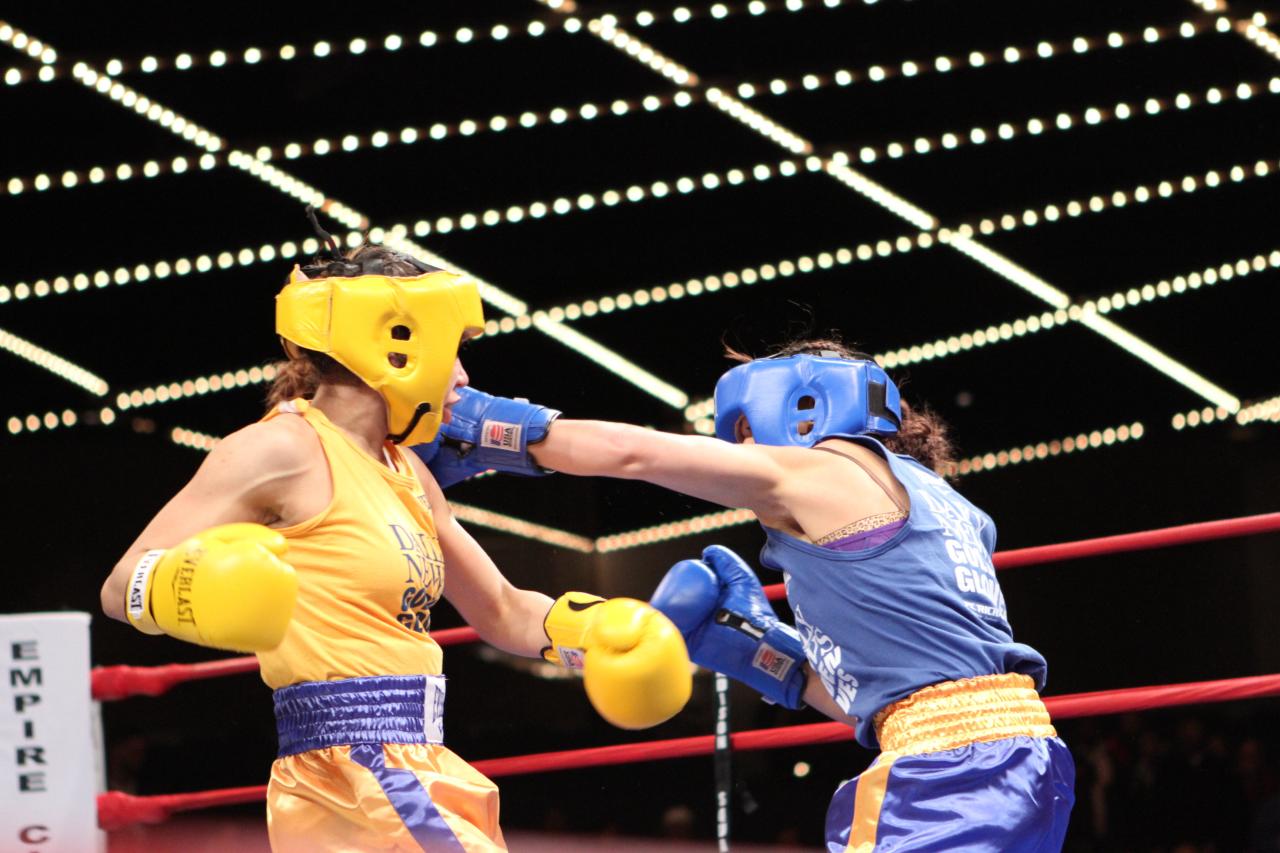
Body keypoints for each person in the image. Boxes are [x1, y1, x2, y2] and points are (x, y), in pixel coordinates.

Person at [99, 226, 692, 852]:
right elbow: (120, 586)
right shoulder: (281, 448)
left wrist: (592, 633)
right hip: (355, 772)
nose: (462, 377)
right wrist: (190, 588)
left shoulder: (406, 469)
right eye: (453, 349)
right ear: (394, 345)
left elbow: (501, 609)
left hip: (412, 763)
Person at [432, 339, 1076, 851]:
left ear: (802, 410)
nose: (737, 450)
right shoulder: (943, 504)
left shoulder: (827, 468)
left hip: (946, 772)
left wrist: (490, 425)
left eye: (742, 431)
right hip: (1022, 758)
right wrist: (765, 656)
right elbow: (909, 695)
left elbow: (633, 455)